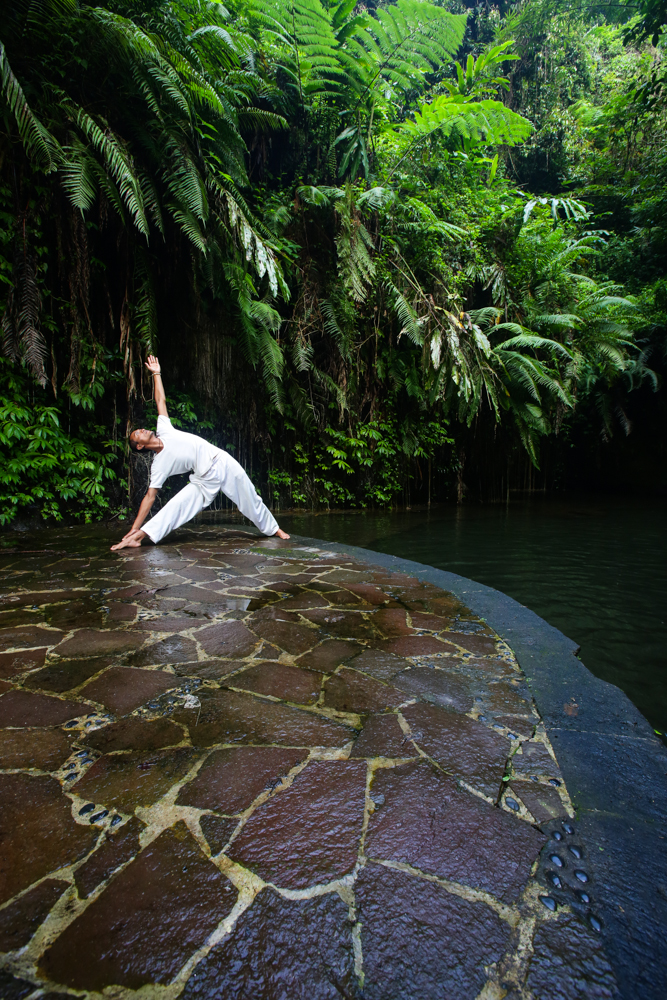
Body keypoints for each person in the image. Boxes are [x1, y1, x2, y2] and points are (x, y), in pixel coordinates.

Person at [110, 355, 290, 550]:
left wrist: (157, 373)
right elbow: (150, 497)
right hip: (203, 480)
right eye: (138, 434)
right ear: (139, 446)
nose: (142, 430)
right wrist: (134, 527)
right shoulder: (158, 465)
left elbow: (160, 399)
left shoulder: (164, 429)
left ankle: (274, 529)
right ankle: (137, 536)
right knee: (176, 506)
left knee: (250, 498)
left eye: (141, 429)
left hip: (220, 461)